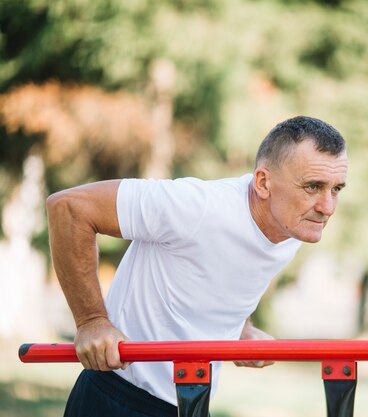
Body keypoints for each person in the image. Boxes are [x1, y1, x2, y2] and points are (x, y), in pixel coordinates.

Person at [46, 115, 348, 416]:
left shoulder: (292, 228)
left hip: (191, 402)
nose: (327, 207)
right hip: (119, 397)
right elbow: (69, 208)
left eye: (336, 189)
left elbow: (219, 271)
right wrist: (92, 322)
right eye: (313, 186)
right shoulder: (196, 206)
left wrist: (241, 329)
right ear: (264, 182)